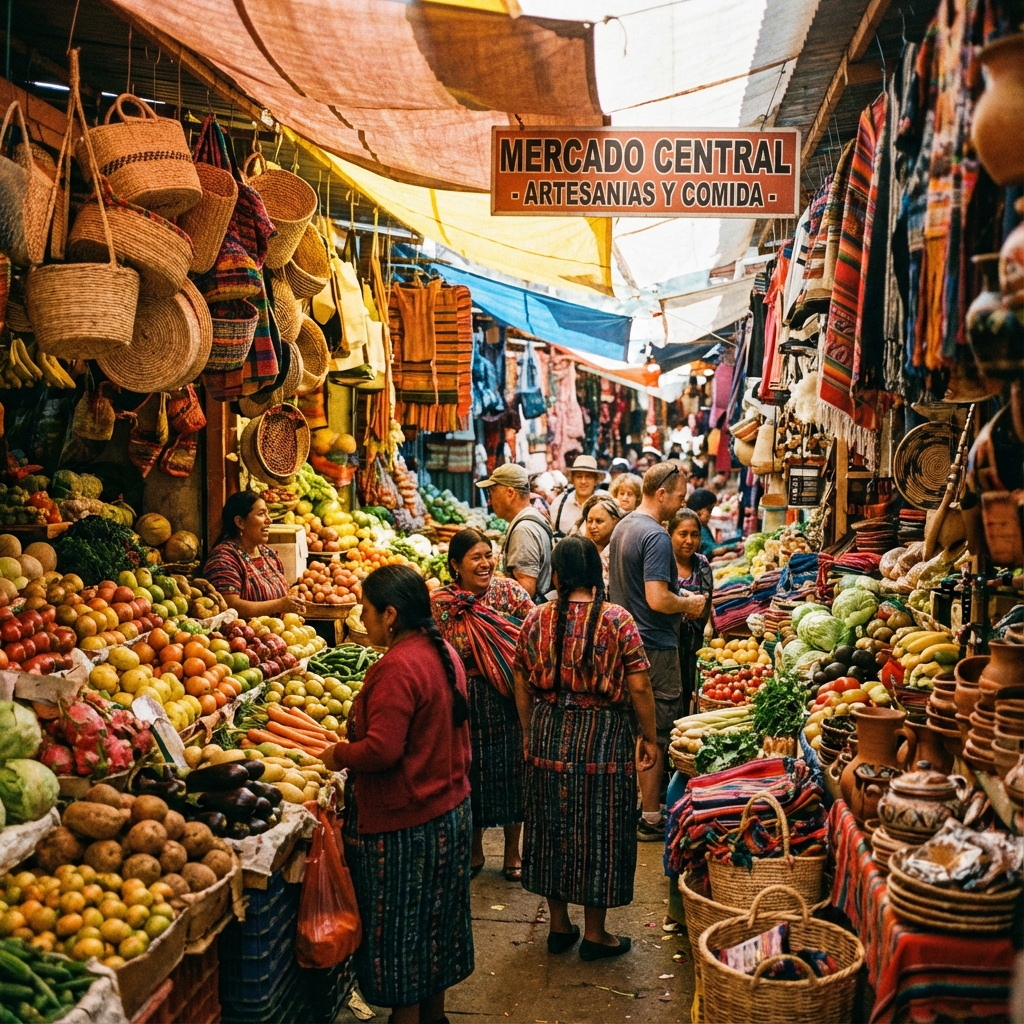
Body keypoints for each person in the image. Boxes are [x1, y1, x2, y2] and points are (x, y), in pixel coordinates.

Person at [323, 565, 473, 1024]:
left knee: (402, 938)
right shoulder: (440, 649)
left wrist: (338, 753)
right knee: (436, 928)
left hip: (406, 825)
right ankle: (434, 1017)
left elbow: (383, 750)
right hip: (448, 813)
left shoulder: (397, 667)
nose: (361, 619)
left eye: (366, 611)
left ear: (390, 614)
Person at [513, 537, 659, 961]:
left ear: (556, 575)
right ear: (596, 573)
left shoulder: (536, 618)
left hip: (547, 730)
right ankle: (596, 934)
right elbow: (639, 684)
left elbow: (520, 679)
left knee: (548, 824)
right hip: (603, 736)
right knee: (602, 829)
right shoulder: (618, 620)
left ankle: (559, 927)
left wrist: (528, 729)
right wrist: (648, 737)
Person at [608, 461, 705, 840]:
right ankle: (650, 816)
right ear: (662, 493)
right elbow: (658, 598)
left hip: (626, 643)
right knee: (657, 730)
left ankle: (630, 806)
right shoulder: (656, 536)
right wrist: (689, 603)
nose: (682, 503)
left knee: (633, 728)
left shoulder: (623, 527)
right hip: (655, 646)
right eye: (680, 496)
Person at [431, 529, 535, 881]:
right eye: (476, 557)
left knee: (511, 777)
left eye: (488, 555)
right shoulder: (440, 603)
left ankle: (512, 853)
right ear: (455, 565)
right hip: (462, 703)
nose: (486, 563)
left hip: (507, 698)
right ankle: (474, 851)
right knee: (468, 775)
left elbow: (532, 633)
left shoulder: (509, 593)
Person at [203, 492, 305, 618]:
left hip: (276, 632)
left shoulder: (269, 554)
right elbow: (229, 606)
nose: (269, 520)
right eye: (261, 514)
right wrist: (279, 605)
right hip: (242, 635)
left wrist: (292, 605)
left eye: (267, 513)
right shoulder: (222, 559)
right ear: (240, 522)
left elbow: (282, 596)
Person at [477, 464, 552, 600]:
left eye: (492, 492)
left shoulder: (523, 530)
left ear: (510, 493)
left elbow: (525, 590)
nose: (489, 501)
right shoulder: (531, 518)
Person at [668, 511, 714, 714]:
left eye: (694, 535)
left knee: (690, 689)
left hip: (694, 640)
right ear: (670, 535)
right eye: (683, 534)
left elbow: (707, 603)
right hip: (669, 639)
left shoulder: (702, 564)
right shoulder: (663, 563)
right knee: (670, 691)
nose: (689, 540)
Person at [549, 455, 607, 539]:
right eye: (579, 476)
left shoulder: (605, 501)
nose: (583, 481)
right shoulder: (559, 503)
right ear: (573, 479)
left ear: (595, 480)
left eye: (588, 476)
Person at [578, 494, 624, 583]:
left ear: (615, 521)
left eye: (599, 521)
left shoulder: (623, 551)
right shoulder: (580, 551)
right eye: (590, 521)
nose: (592, 526)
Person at [688, 487, 731, 558]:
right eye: (709, 510)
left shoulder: (701, 526)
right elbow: (713, 550)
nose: (710, 515)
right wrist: (733, 546)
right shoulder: (698, 528)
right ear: (699, 512)